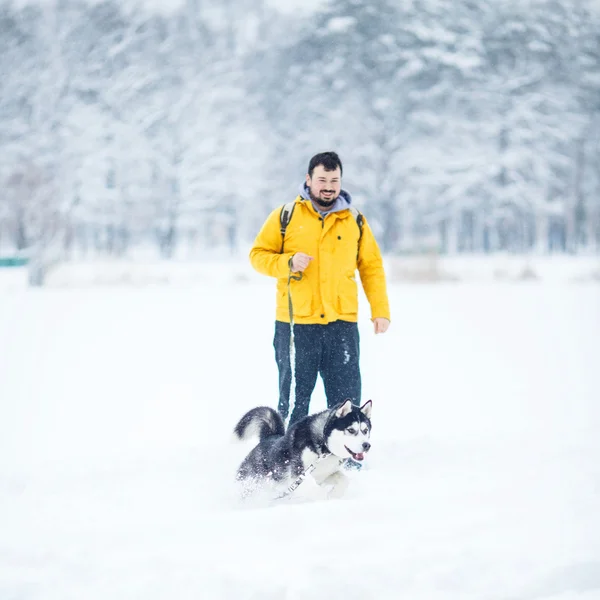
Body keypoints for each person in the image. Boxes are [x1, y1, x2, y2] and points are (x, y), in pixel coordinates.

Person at [249, 151, 390, 426]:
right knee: (293, 401)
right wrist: (286, 262)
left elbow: (371, 267)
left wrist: (380, 310)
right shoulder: (286, 216)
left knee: (346, 403)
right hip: (296, 324)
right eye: (322, 179)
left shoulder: (355, 221)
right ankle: (286, 458)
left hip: (342, 323)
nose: (328, 186)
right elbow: (257, 256)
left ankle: (345, 459)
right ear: (309, 179)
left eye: (334, 180)